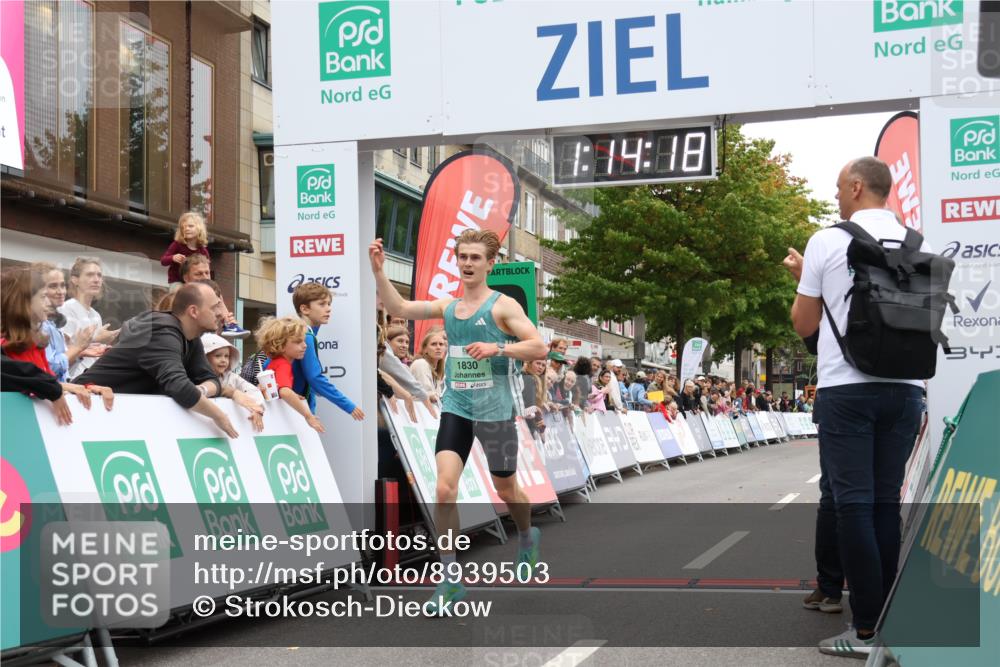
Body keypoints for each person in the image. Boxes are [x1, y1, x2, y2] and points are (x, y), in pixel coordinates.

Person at [784, 156, 927, 658]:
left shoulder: (827, 239)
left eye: (839, 188)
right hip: (907, 388)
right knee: (887, 502)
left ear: (857, 186)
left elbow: (804, 323)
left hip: (847, 390)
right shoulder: (916, 242)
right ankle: (888, 618)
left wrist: (810, 283)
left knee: (853, 506)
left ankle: (866, 630)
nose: (836, 197)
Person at [370, 229, 548, 615]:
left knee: (507, 489)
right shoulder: (449, 307)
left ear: (490, 263)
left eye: (475, 258)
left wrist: (498, 346)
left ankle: (525, 533)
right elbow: (400, 308)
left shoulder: (502, 308)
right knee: (445, 488)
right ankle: (449, 579)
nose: (467, 263)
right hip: (457, 407)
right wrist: (379, 272)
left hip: (496, 412)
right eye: (462, 256)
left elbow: (538, 346)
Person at [77, 282, 262, 437]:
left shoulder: (191, 336)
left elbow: (211, 380)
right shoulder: (162, 332)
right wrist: (219, 416)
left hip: (110, 415)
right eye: (214, 308)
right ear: (193, 311)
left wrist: (202, 390)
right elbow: (179, 387)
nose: (221, 314)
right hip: (83, 407)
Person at [1, 267, 115, 414]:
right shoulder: (6, 344)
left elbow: (50, 382)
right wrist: (78, 348)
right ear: (23, 303)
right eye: (43, 296)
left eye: (62, 285)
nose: (50, 301)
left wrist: (86, 388)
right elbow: (34, 386)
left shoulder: (36, 342)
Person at [291, 282, 364, 421]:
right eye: (322, 304)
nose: (328, 309)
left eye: (329, 304)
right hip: (297, 412)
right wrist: (349, 406)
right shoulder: (305, 335)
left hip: (295, 410)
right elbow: (314, 377)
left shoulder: (303, 333)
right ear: (305, 309)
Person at [256, 316, 324, 433]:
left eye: (303, 340)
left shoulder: (275, 362)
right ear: (281, 346)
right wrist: (308, 415)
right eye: (298, 342)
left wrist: (293, 396)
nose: (305, 345)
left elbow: (278, 390)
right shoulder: (283, 365)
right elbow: (285, 391)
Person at [59, 257, 119, 380]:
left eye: (99, 275)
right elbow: (61, 356)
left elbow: (93, 354)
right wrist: (96, 338)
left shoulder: (96, 315)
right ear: (75, 280)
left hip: (91, 380)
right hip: (71, 381)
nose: (96, 280)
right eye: (90, 275)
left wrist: (105, 346)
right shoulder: (66, 309)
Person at [32, 262, 92, 383]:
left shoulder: (53, 324)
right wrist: (76, 348)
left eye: (63, 285)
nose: (61, 292)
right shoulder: (39, 325)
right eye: (53, 286)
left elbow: (61, 372)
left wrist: (79, 352)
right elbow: (47, 370)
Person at [201, 332, 264, 431]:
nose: (223, 360)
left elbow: (251, 390)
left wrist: (256, 408)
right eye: (218, 356)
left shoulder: (232, 377)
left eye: (226, 356)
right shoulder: (196, 378)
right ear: (204, 358)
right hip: (203, 425)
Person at [179, 254, 250, 340]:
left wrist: (229, 323)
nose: (205, 277)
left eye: (207, 273)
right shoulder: (178, 298)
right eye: (199, 274)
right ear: (186, 278)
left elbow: (224, 316)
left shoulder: (214, 293)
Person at [161, 211, 212, 285]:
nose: (186, 229)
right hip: (177, 281)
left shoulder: (203, 251)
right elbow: (163, 261)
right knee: (178, 292)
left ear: (199, 229)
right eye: (183, 227)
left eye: (190, 226)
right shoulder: (177, 245)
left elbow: (207, 269)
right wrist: (173, 257)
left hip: (195, 282)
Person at [410, 326, 447, 402]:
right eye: (434, 344)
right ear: (425, 349)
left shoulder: (438, 368)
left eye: (441, 344)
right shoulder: (421, 364)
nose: (438, 347)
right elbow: (429, 396)